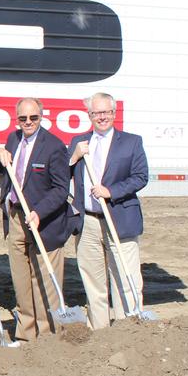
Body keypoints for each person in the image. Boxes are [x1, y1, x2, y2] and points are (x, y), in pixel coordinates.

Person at [0, 97, 74, 341]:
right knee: (21, 280)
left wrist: (39, 211)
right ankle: (26, 334)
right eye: (23, 118)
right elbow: (2, 168)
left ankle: (47, 335)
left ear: (41, 116)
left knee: (44, 282)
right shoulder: (13, 139)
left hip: (43, 221)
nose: (28, 122)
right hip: (15, 216)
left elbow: (60, 188)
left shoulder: (55, 146)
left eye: (33, 118)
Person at [69, 92, 148, 329]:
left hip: (119, 218)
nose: (101, 117)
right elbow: (62, 175)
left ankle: (128, 328)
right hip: (89, 221)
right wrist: (72, 157)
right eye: (96, 113)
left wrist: (110, 191)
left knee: (125, 277)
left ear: (114, 113)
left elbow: (141, 177)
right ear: (89, 115)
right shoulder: (79, 142)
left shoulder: (132, 142)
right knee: (93, 281)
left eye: (106, 112)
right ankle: (100, 331)